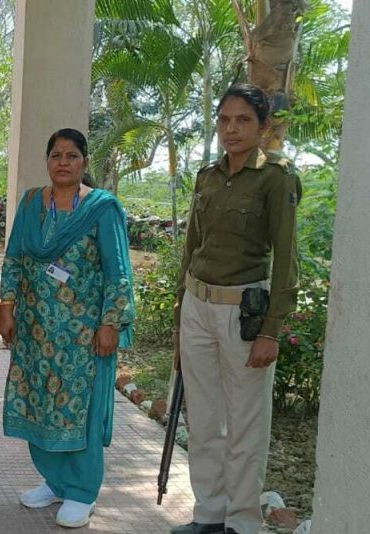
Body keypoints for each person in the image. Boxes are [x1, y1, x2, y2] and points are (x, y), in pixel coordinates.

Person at [170, 85, 300, 534]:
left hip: (244, 314)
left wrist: (271, 331)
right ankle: (209, 515)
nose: (231, 129)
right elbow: (192, 248)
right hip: (197, 306)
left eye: (243, 120)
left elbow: (286, 259)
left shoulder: (276, 178)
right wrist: (180, 316)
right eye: (225, 119)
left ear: (263, 127)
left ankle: (242, 522)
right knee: (204, 420)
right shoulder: (207, 176)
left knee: (246, 424)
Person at [0, 128, 135, 529]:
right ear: (47, 161)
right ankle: (55, 482)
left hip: (81, 335)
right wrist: (6, 307)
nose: (62, 162)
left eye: (71, 155)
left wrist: (110, 323)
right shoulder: (31, 203)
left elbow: (117, 271)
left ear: (84, 162)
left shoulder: (101, 208)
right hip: (35, 331)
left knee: (78, 409)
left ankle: (82, 492)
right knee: (40, 403)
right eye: (56, 155)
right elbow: (15, 258)